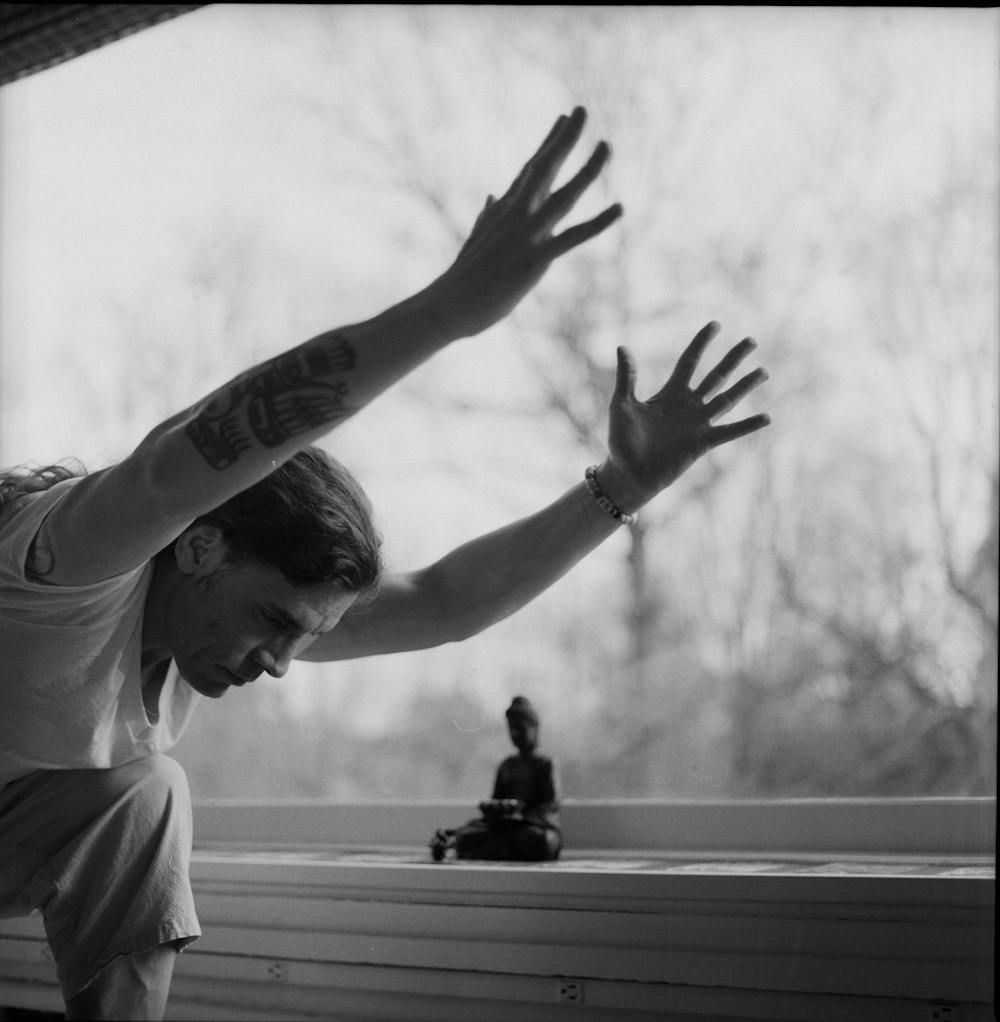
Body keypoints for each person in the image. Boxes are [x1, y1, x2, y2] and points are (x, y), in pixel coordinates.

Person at [0, 106, 770, 1020]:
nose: (280, 663)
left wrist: (619, 489)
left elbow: (447, 601)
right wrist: (445, 312)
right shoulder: (76, 562)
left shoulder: (209, 625)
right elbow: (184, 467)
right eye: (276, 623)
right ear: (203, 544)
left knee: (145, 793)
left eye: (303, 637)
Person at [430, 696, 562, 862]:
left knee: (541, 840)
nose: (515, 734)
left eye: (520, 728)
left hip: (531, 826)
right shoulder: (506, 765)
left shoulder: (545, 763)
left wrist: (523, 816)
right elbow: (497, 800)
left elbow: (552, 804)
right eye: (511, 729)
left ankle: (491, 848)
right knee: (469, 831)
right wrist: (495, 810)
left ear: (534, 727)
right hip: (506, 827)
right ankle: (452, 842)